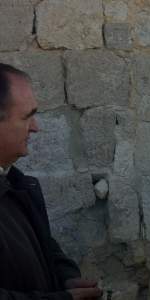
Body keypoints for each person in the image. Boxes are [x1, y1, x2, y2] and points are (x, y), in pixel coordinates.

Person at [0, 63, 103, 300]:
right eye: (27, 117)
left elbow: (44, 246)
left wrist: (65, 277)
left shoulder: (17, 184)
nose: (35, 127)